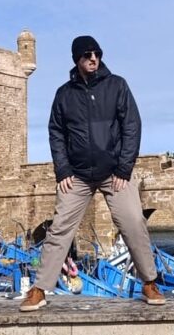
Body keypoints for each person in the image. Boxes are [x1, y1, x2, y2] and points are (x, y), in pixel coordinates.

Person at [20, 35, 165, 311]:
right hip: (77, 175)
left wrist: (124, 167)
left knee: (134, 222)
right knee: (60, 228)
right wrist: (63, 169)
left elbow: (131, 126)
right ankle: (39, 289)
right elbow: (56, 133)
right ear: (77, 58)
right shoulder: (64, 94)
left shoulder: (117, 85)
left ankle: (149, 282)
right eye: (87, 55)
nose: (93, 59)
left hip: (114, 172)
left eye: (97, 54)